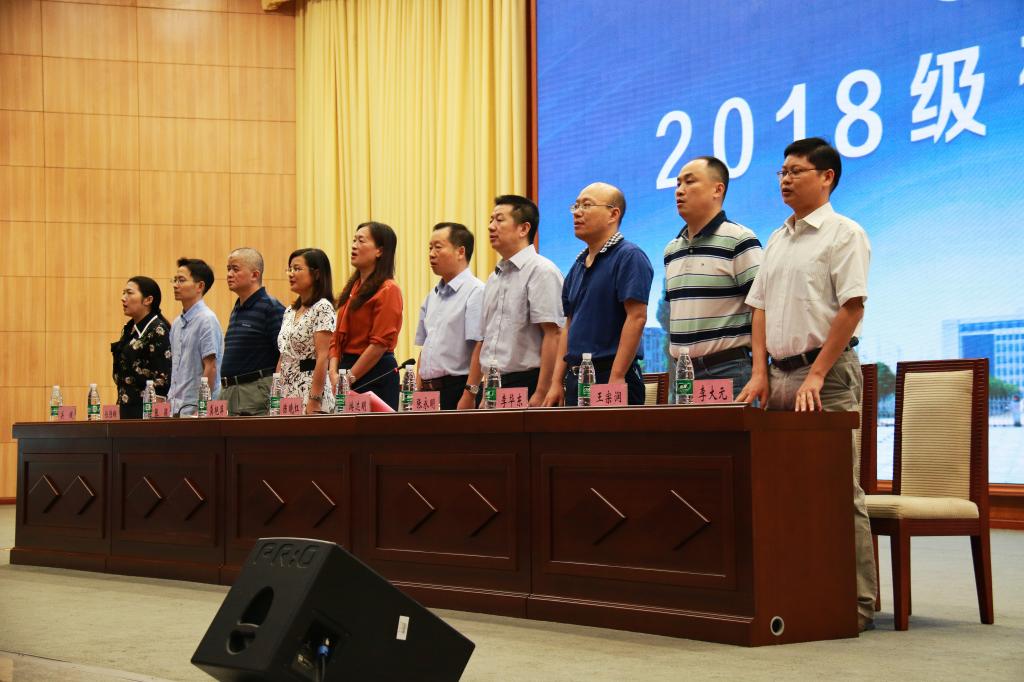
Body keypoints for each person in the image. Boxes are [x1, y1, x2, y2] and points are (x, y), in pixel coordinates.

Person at [737, 137, 876, 632]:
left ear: (827, 177)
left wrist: (816, 373)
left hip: (826, 376)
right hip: (777, 376)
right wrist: (758, 371)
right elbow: (759, 309)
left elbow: (852, 307)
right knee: (782, 488)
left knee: (836, 488)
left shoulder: (844, 233)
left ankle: (856, 603)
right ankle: (797, 591)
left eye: (796, 171)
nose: (785, 179)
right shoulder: (778, 238)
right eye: (782, 171)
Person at [544, 183, 652, 406]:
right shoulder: (577, 266)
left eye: (586, 205)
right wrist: (556, 382)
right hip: (575, 379)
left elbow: (637, 317)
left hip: (611, 375)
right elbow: (569, 325)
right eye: (576, 206)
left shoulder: (629, 256)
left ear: (613, 214)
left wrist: (617, 376)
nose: (577, 212)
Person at [664, 156, 762, 389]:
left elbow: (762, 307)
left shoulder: (739, 239)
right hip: (683, 374)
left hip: (727, 370)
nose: (680, 190)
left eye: (690, 182)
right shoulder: (671, 250)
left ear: (718, 190)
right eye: (678, 183)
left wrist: (760, 371)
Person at [472, 195, 564, 406]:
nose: (490, 226)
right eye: (490, 220)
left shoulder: (542, 271)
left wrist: (542, 392)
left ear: (523, 229)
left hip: (528, 383)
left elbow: (554, 334)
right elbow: (487, 340)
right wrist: (480, 392)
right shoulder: (493, 278)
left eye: (499, 220)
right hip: (493, 386)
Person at [329, 222, 404, 410]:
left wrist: (348, 378)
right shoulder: (352, 288)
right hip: (346, 371)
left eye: (361, 241)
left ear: (379, 251)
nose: (354, 246)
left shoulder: (388, 289)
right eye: (354, 240)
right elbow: (336, 337)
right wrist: (333, 373)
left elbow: (379, 344)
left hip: (374, 372)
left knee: (372, 428)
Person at [415, 223, 485, 410]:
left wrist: (469, 394)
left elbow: (480, 345)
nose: (431, 254)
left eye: (438, 247)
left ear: (460, 252)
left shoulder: (476, 291)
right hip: (428, 393)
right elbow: (426, 347)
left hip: (458, 389)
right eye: (430, 248)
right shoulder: (432, 296)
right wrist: (418, 390)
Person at [221, 247, 285, 415]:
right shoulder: (237, 307)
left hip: (254, 394)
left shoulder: (271, 307)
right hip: (229, 391)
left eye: (235, 269)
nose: (229, 274)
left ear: (255, 275)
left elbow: (285, 355)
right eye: (228, 269)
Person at [277, 248, 336, 414]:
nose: (291, 274)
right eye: (289, 269)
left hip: (310, 388)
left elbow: (323, 357)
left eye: (297, 269)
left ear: (316, 274)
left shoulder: (322, 307)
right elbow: (283, 355)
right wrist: (277, 393)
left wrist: (314, 399)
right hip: (287, 390)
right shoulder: (290, 311)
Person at [168, 258, 223, 416]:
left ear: (200, 286)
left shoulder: (207, 319)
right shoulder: (177, 323)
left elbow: (211, 367)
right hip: (175, 407)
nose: (175, 285)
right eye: (175, 280)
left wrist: (201, 409)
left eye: (181, 280)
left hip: (195, 409)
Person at [111, 276, 172, 419]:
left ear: (148, 300)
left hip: (146, 411)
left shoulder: (158, 329)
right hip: (126, 405)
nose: (123, 298)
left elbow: (162, 379)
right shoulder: (129, 328)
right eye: (123, 293)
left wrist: (154, 417)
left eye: (129, 293)